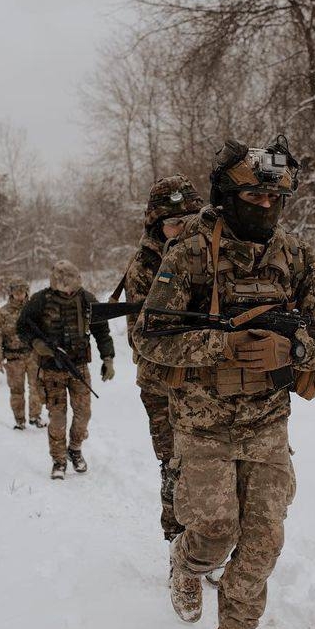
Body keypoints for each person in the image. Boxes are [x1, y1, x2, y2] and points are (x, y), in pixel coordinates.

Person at [133, 137, 315, 629]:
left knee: (264, 537)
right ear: (228, 198)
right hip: (203, 424)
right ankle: (186, 561)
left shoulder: (296, 258)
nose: (265, 206)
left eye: (275, 198)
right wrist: (221, 346)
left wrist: (291, 350)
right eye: (254, 197)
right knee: (215, 530)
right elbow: (149, 337)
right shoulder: (188, 255)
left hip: (267, 422)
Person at [121, 175, 203, 542]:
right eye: (173, 222)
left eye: (188, 220)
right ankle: (176, 540)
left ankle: (205, 542)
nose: (181, 228)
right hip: (160, 385)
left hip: (202, 382)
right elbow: (141, 338)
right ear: (157, 226)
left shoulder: (207, 255)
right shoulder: (143, 266)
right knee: (175, 466)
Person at [18, 260, 115, 480]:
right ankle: (59, 460)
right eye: (64, 285)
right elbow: (22, 327)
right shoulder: (40, 300)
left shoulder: (86, 299)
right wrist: (36, 344)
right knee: (57, 417)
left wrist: (108, 358)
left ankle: (75, 449)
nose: (68, 290)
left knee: (84, 414)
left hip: (79, 366)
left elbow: (101, 331)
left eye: (71, 285)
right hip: (51, 369)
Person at [0, 278, 46, 429]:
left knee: (36, 387)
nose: (20, 295)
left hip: (33, 355)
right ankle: (19, 420)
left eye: (22, 291)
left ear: (27, 292)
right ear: (11, 293)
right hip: (13, 358)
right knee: (17, 391)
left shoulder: (34, 309)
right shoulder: (3, 313)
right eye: (17, 291)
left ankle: (35, 416)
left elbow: (44, 330)